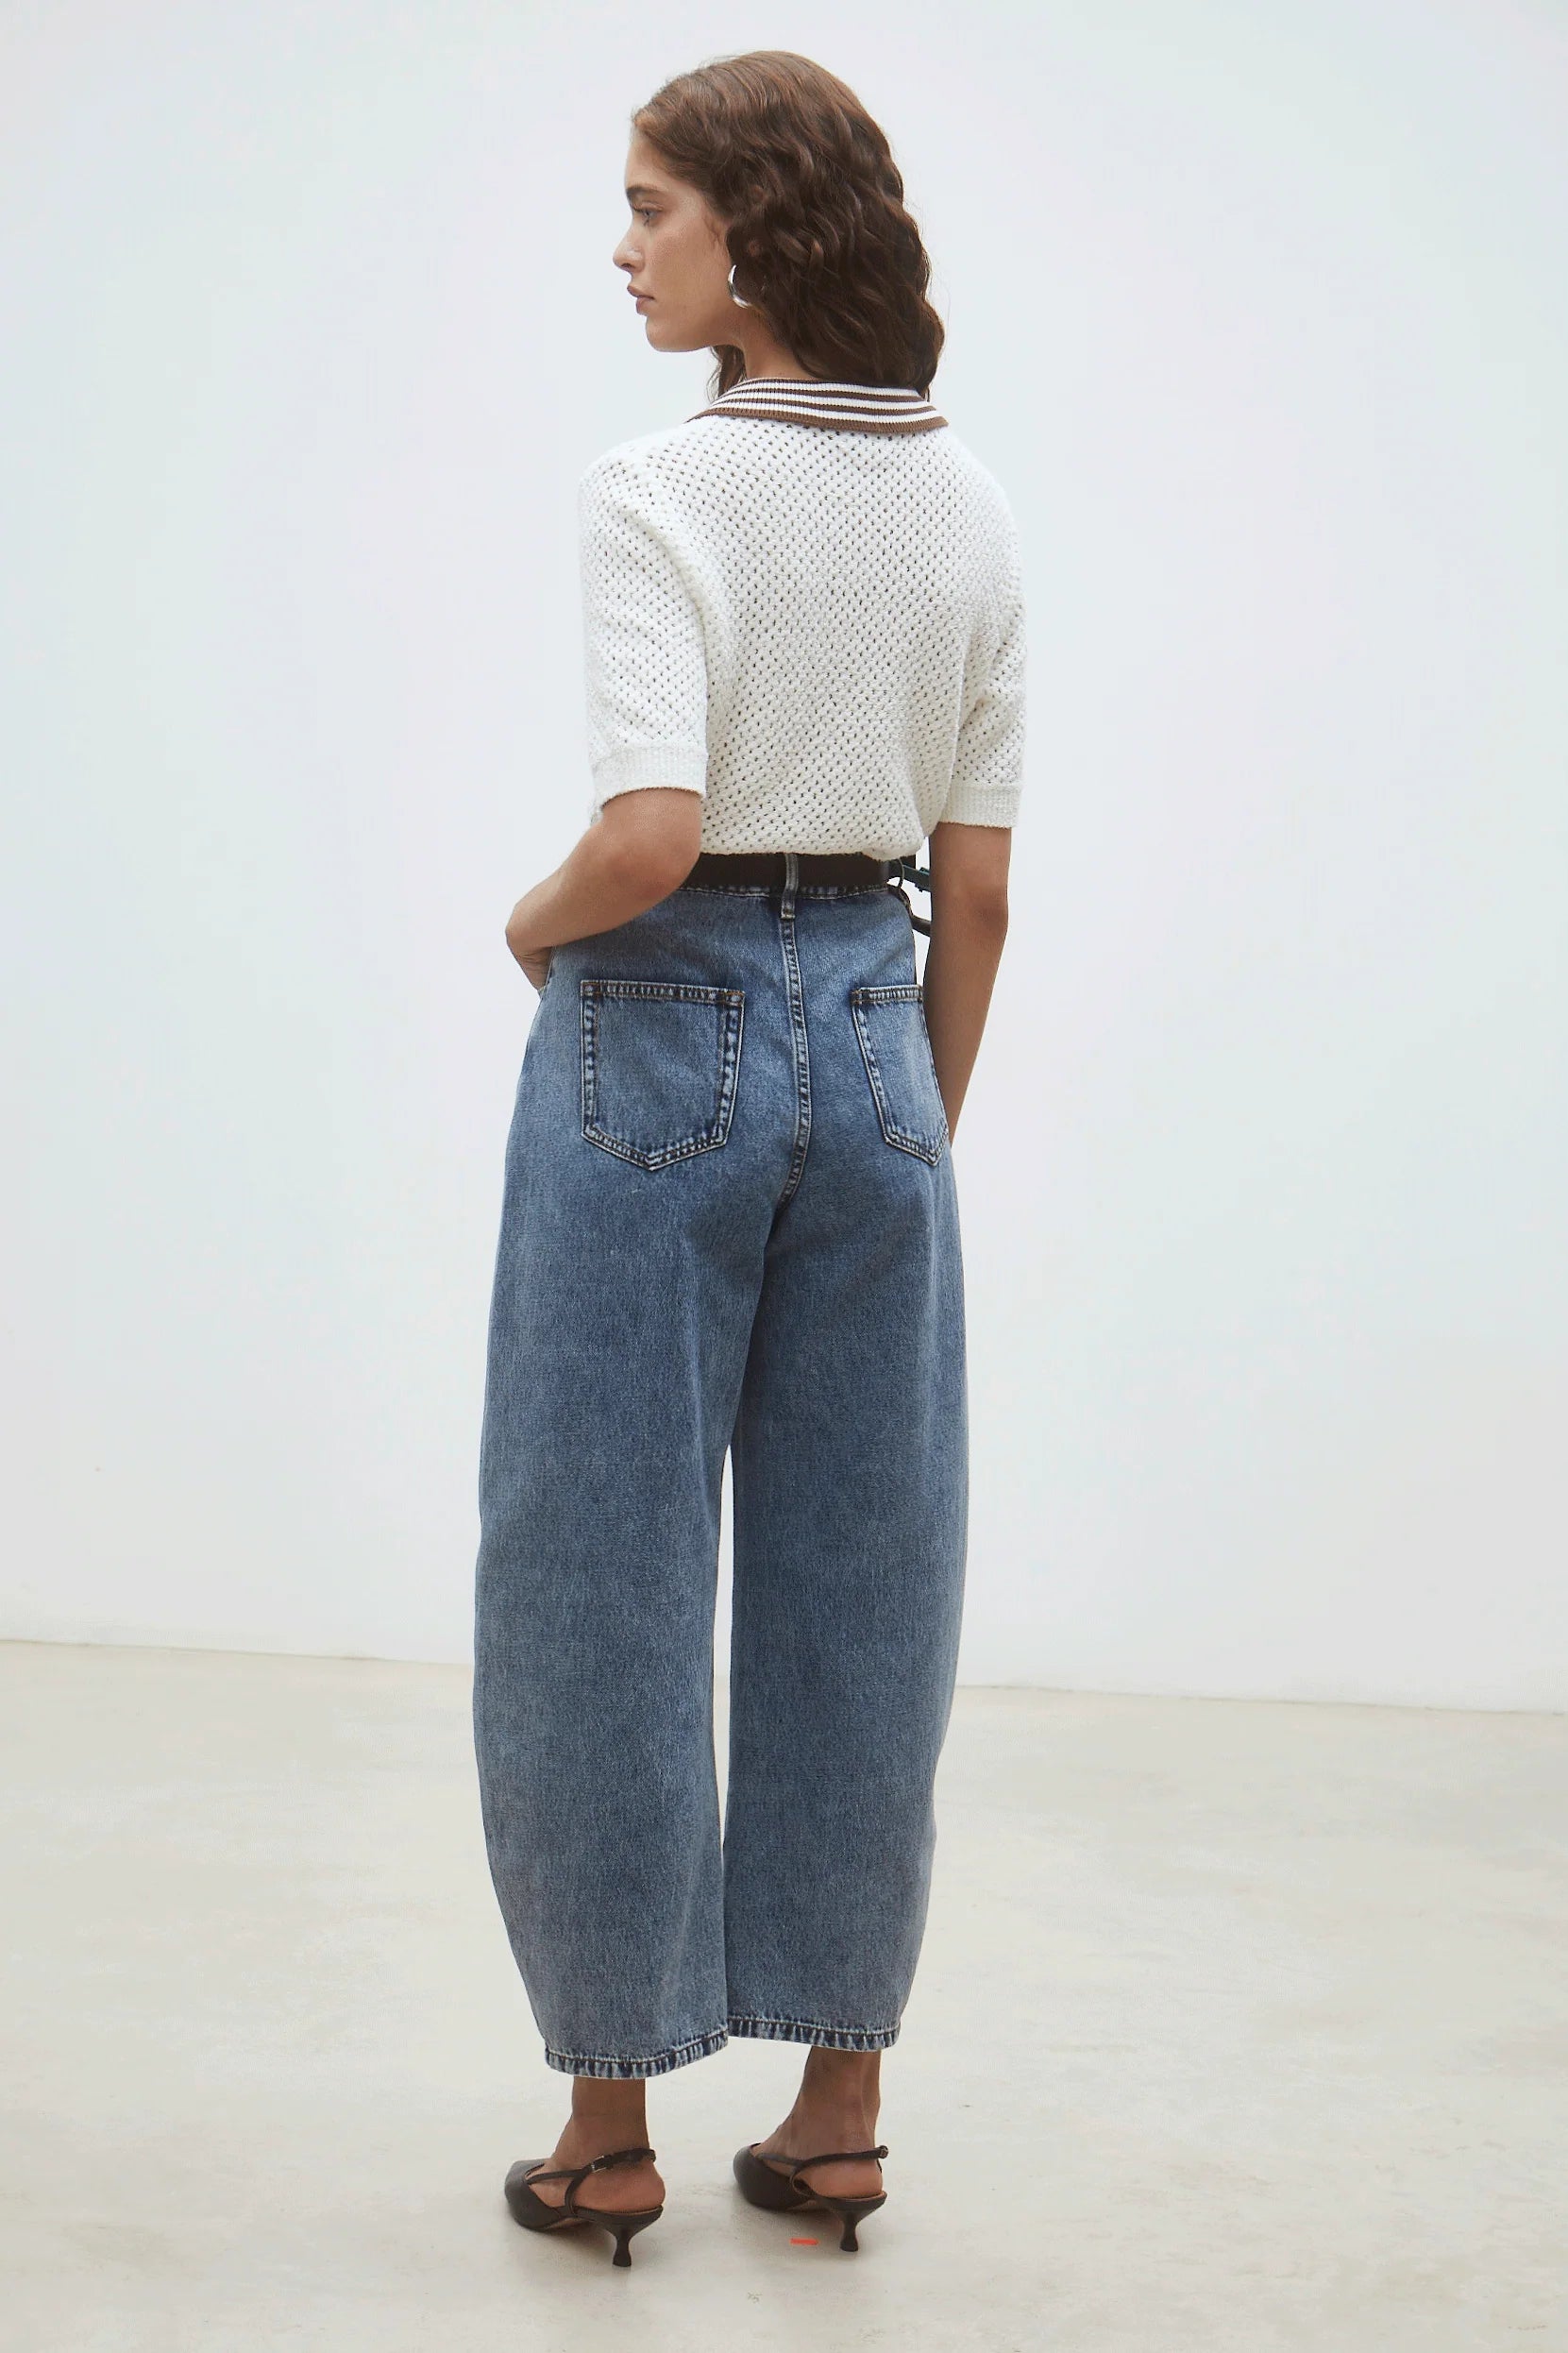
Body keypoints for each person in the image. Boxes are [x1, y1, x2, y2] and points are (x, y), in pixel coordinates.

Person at [472, 48, 1025, 2268]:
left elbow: (647, 839)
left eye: (651, 208)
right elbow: (976, 895)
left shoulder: (658, 487)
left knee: (594, 1564)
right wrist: (902, 1117)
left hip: (659, 1024)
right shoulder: (973, 501)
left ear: (752, 236)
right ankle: (838, 2114)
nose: (625, 248)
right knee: (863, 1575)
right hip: (880, 1033)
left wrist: (525, 933)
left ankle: (607, 2129)